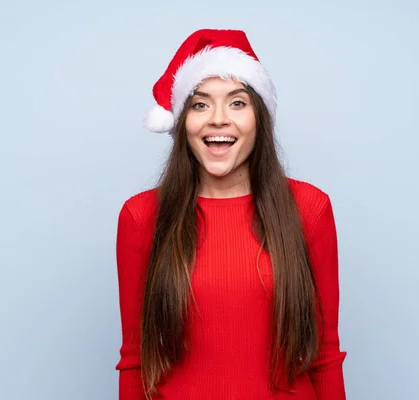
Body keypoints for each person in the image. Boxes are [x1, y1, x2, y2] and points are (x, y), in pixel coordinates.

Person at [115, 29, 347, 399]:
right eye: (200, 104)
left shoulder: (310, 209)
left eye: (237, 103)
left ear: (260, 118)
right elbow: (135, 360)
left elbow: (324, 356)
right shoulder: (141, 216)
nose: (218, 119)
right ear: (182, 122)